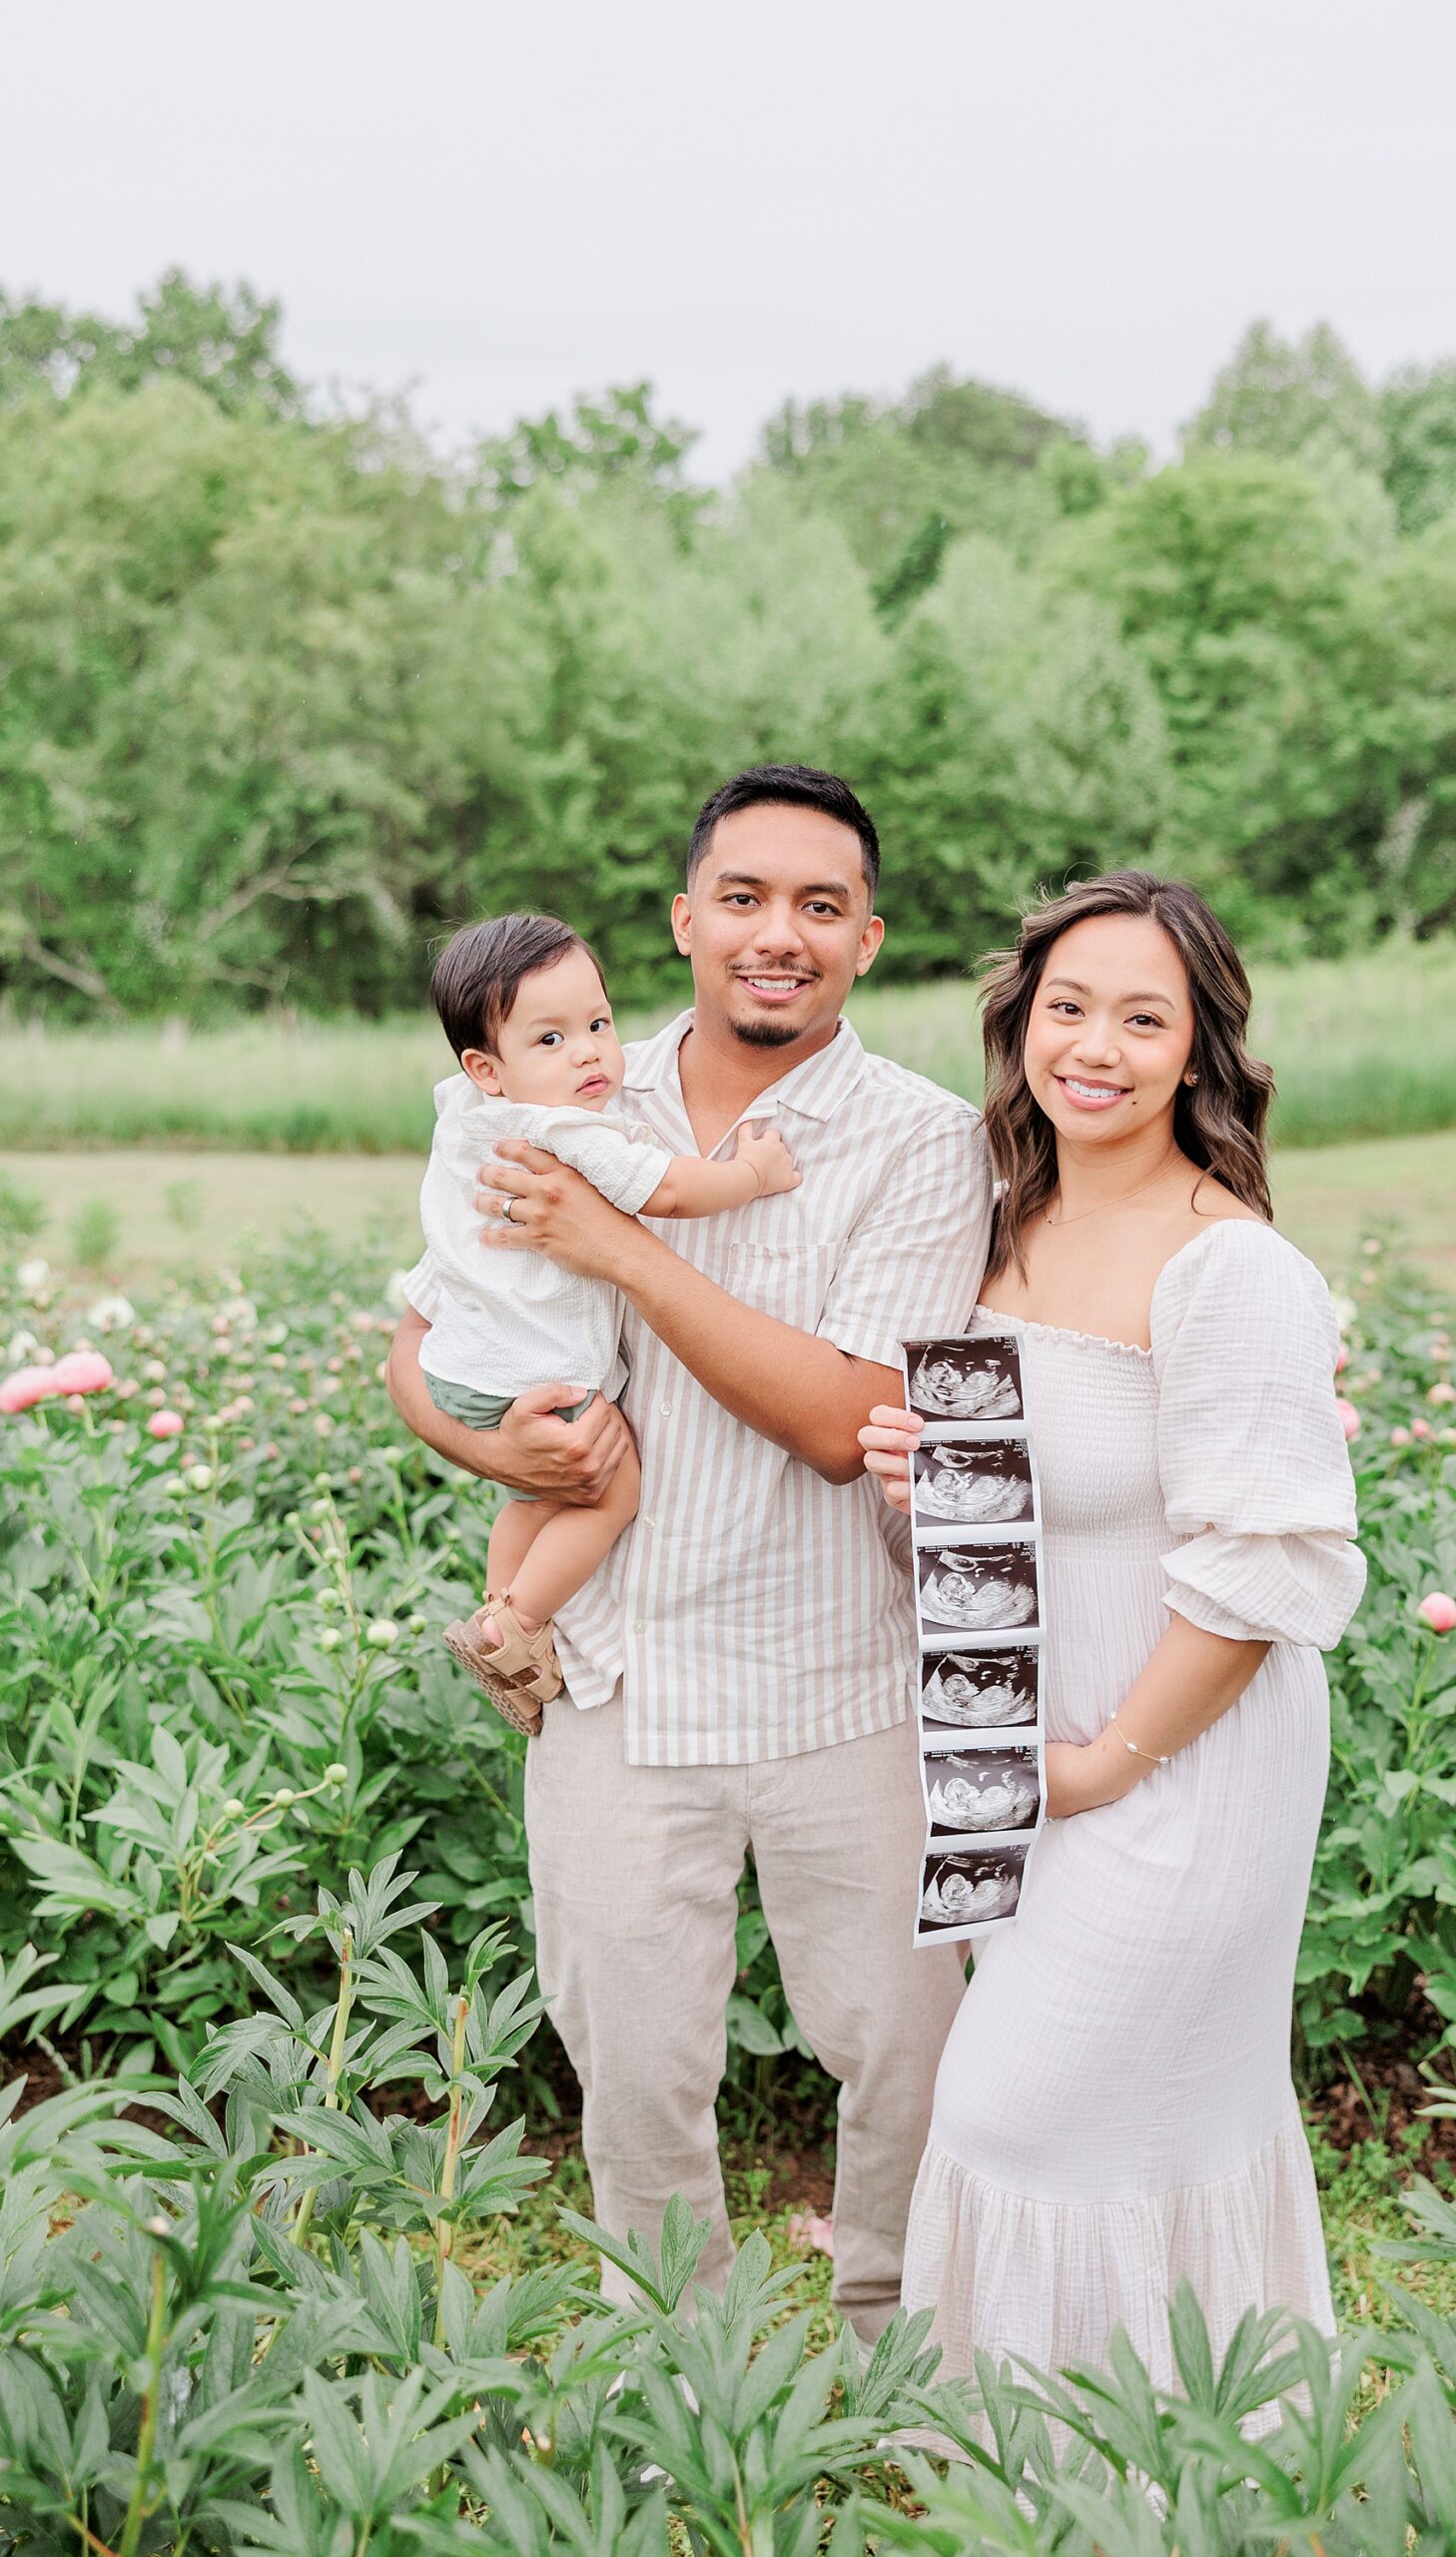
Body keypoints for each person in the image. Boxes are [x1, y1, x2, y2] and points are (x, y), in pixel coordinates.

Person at [386, 765, 992, 2339]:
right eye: (741, 898)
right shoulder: (567, 1086)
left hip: (840, 1674)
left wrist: (620, 1253)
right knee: (637, 2065)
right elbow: (418, 1331)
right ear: (683, 921)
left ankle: (894, 2339)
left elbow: (845, 1414)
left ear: (866, 936)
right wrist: (485, 1442)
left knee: (902, 2051)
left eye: (815, 906)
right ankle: (682, 2362)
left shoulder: (925, 1144)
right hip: (617, 1679)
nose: (774, 933)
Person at [860, 870, 1364, 2390]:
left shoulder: (1228, 1268)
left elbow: (1260, 1569)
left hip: (1176, 1760)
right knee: (1124, 2118)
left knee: (1015, 2109)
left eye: (1143, 1017)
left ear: (1198, 1051)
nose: (1096, 1045)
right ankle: (1066, 2483)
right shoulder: (996, 1227)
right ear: (1020, 1024)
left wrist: (1100, 1767)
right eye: (1066, 1007)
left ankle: (1127, 2468)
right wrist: (919, 1482)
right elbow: (1022, 1524)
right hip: (1032, 1756)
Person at [412, 913, 799, 1730]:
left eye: (597, 1023)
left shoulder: (463, 1115)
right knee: (608, 1490)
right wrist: (755, 1173)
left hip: (463, 1363)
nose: (589, 1052)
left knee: (532, 1495)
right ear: (488, 1067)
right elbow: (670, 1191)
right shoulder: (561, 1129)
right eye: (549, 1041)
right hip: (537, 1370)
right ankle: (514, 1629)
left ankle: (501, 1603)